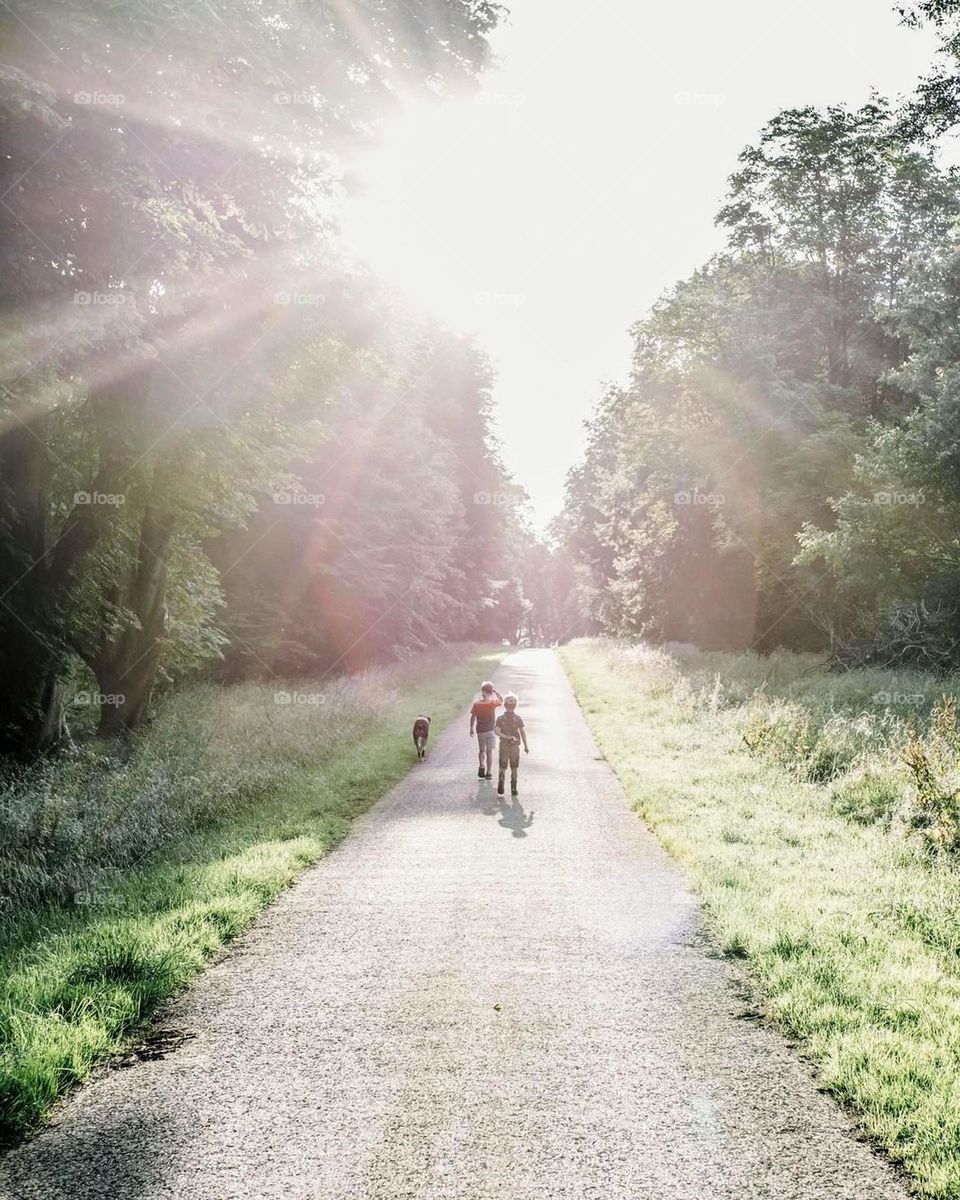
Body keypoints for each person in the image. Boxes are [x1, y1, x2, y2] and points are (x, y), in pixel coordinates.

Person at [495, 692, 528, 797]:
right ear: (515, 705)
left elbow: (497, 731)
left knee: (502, 766)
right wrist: (526, 746)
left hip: (504, 744)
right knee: (514, 767)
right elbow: (522, 732)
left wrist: (505, 737)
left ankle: (501, 779)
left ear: (505, 705)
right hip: (515, 745)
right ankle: (514, 787)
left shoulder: (500, 718)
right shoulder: (518, 718)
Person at [469, 680, 502, 779]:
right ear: (490, 692)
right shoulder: (492, 703)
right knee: (489, 752)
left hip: (480, 731)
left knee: (482, 750)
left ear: (482, 692)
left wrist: (471, 728)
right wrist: (495, 692)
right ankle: (488, 772)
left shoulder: (477, 704)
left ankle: (482, 764)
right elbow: (501, 700)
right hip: (490, 731)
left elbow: (473, 717)